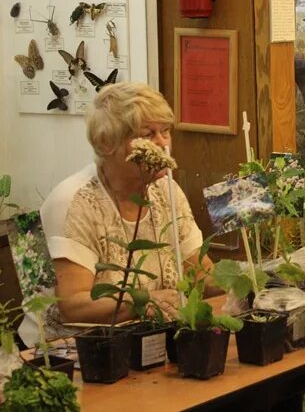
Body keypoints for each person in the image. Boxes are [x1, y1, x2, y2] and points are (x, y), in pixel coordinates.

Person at [29, 83, 215, 340]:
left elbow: (200, 274)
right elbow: (72, 306)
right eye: (148, 134)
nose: (162, 143)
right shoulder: (75, 201)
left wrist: (254, 277)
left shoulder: (165, 188)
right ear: (106, 143)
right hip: (74, 353)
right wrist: (141, 302)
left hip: (146, 342)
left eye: (165, 131)